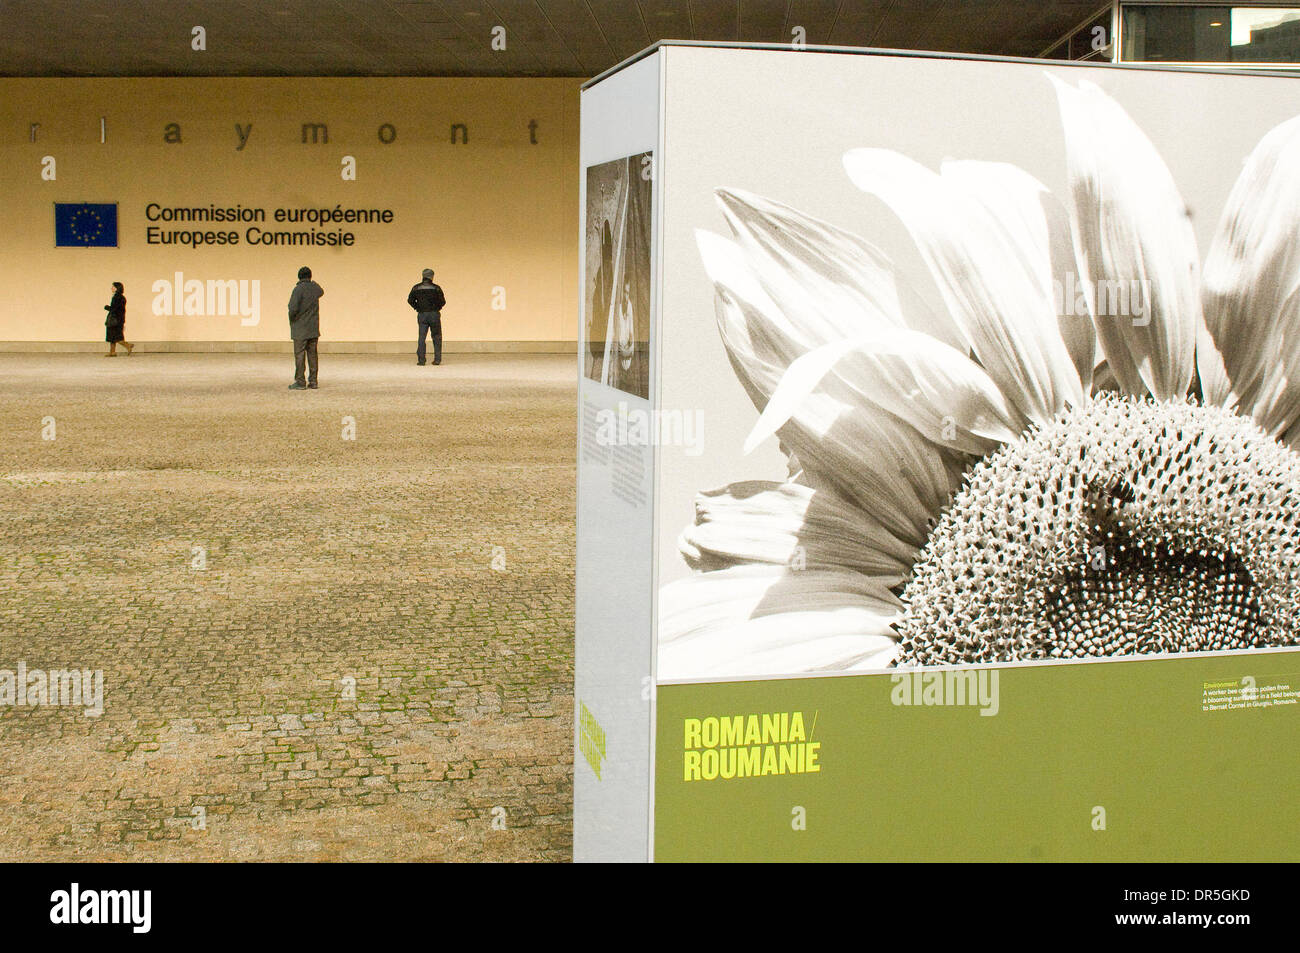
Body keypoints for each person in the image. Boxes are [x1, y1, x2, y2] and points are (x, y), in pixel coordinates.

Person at [287, 265, 324, 389]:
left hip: (300, 328)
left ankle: (300, 381)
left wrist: (292, 320)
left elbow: (292, 308)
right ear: (310, 276)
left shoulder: (298, 289)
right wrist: (313, 282)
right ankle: (313, 381)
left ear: (299, 277)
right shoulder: (314, 288)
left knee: (300, 355)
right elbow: (321, 291)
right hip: (313, 328)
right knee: (312, 355)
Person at [407, 267, 447, 366]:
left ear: (423, 276)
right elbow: (443, 302)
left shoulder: (416, 287)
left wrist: (417, 308)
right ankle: (437, 359)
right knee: (437, 337)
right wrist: (437, 308)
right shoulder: (436, 288)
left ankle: (421, 360)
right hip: (434, 314)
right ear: (432, 277)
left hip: (422, 315)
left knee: (421, 337)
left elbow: (410, 300)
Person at [104, 281, 133, 357]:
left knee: (116, 336)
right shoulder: (121, 297)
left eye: (113, 287)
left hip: (115, 320)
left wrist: (107, 307)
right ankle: (112, 352)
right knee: (113, 336)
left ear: (117, 288)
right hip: (119, 319)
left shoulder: (116, 297)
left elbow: (115, 309)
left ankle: (128, 346)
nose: (111, 288)